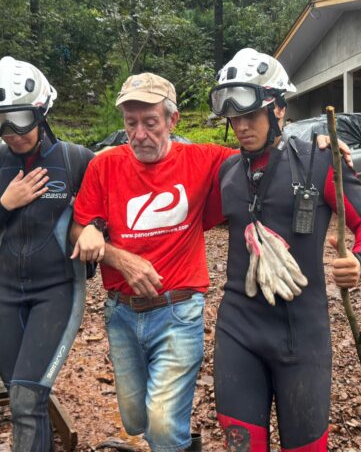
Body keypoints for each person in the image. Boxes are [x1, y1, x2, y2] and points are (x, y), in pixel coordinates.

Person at [208, 48, 361, 451]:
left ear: (278, 110)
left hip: (302, 335)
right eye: (233, 118)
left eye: (249, 115)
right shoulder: (227, 172)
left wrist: (359, 262)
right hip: (238, 329)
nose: (240, 126)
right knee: (241, 444)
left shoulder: (320, 162)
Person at [70, 73, 233, 452]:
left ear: (172, 121)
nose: (139, 134)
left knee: (160, 422)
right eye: (131, 124)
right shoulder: (104, 166)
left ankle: (170, 437)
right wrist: (114, 254)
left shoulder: (204, 160)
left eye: (150, 122)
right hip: (121, 314)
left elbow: (264, 155)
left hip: (179, 311)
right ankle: (176, 438)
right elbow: (79, 230)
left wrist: (318, 144)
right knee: (136, 419)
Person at [0, 56, 93, 452]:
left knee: (26, 397)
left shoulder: (75, 160)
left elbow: (102, 217)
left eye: (19, 119)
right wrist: (6, 203)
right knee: (20, 396)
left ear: (42, 111)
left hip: (57, 290)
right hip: (5, 291)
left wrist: (93, 230)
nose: (10, 133)